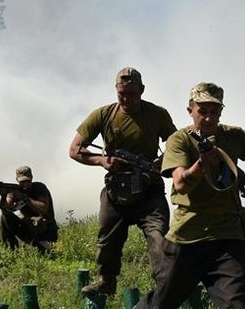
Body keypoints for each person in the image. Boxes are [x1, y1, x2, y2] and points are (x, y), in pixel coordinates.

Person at [138, 82, 245, 309]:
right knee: (161, 303)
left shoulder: (234, 137)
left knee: (235, 304)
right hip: (187, 237)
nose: (209, 118)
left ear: (221, 111)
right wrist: (202, 164)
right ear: (190, 110)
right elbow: (181, 184)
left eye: (214, 112)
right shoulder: (179, 140)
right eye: (203, 111)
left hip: (227, 237)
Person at [69, 67, 177, 296]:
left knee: (159, 237)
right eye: (122, 94)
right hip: (116, 190)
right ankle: (107, 281)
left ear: (142, 90)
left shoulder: (157, 114)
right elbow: (75, 149)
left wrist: (160, 163)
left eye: (132, 94)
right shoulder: (103, 114)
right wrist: (102, 161)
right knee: (107, 239)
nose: (126, 99)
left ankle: (165, 288)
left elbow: (177, 146)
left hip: (149, 188)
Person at [0, 165, 59, 254]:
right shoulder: (16, 190)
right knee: (5, 217)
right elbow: (6, 211)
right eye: (22, 182)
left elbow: (43, 209)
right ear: (17, 180)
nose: (25, 185)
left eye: (28, 181)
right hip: (30, 228)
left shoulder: (39, 188)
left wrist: (25, 198)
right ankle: (10, 250)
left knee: (45, 250)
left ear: (32, 178)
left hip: (46, 230)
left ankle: (42, 246)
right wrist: (3, 195)